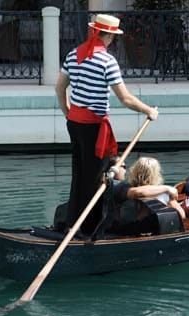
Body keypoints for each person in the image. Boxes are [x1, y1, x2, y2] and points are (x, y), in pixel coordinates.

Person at [54, 14, 159, 235]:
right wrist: (148, 110)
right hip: (93, 127)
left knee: (80, 173)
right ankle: (91, 227)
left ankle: (74, 222)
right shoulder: (107, 61)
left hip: (75, 124)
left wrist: (69, 114)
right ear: (110, 35)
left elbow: (59, 88)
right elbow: (126, 98)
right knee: (95, 179)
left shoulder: (73, 55)